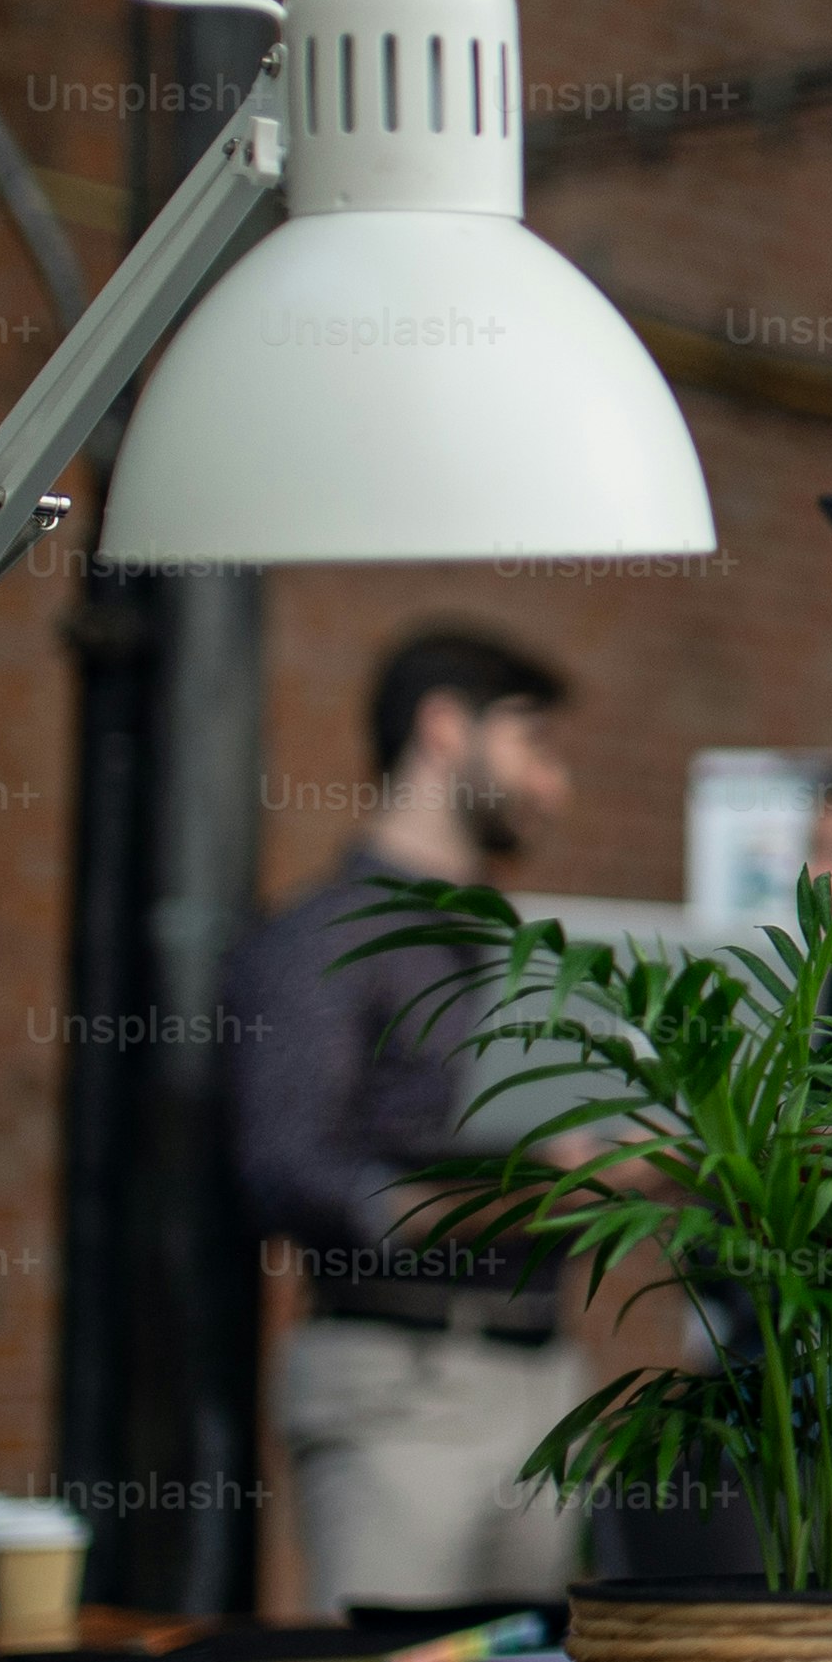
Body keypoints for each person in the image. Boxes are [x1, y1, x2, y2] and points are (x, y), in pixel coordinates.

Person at [228, 626, 595, 1612]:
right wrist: (499, 1191)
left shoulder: (526, 948)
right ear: (444, 729)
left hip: (546, 1377)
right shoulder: (319, 938)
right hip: (395, 1379)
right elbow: (282, 1165)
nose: (552, 786)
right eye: (535, 746)